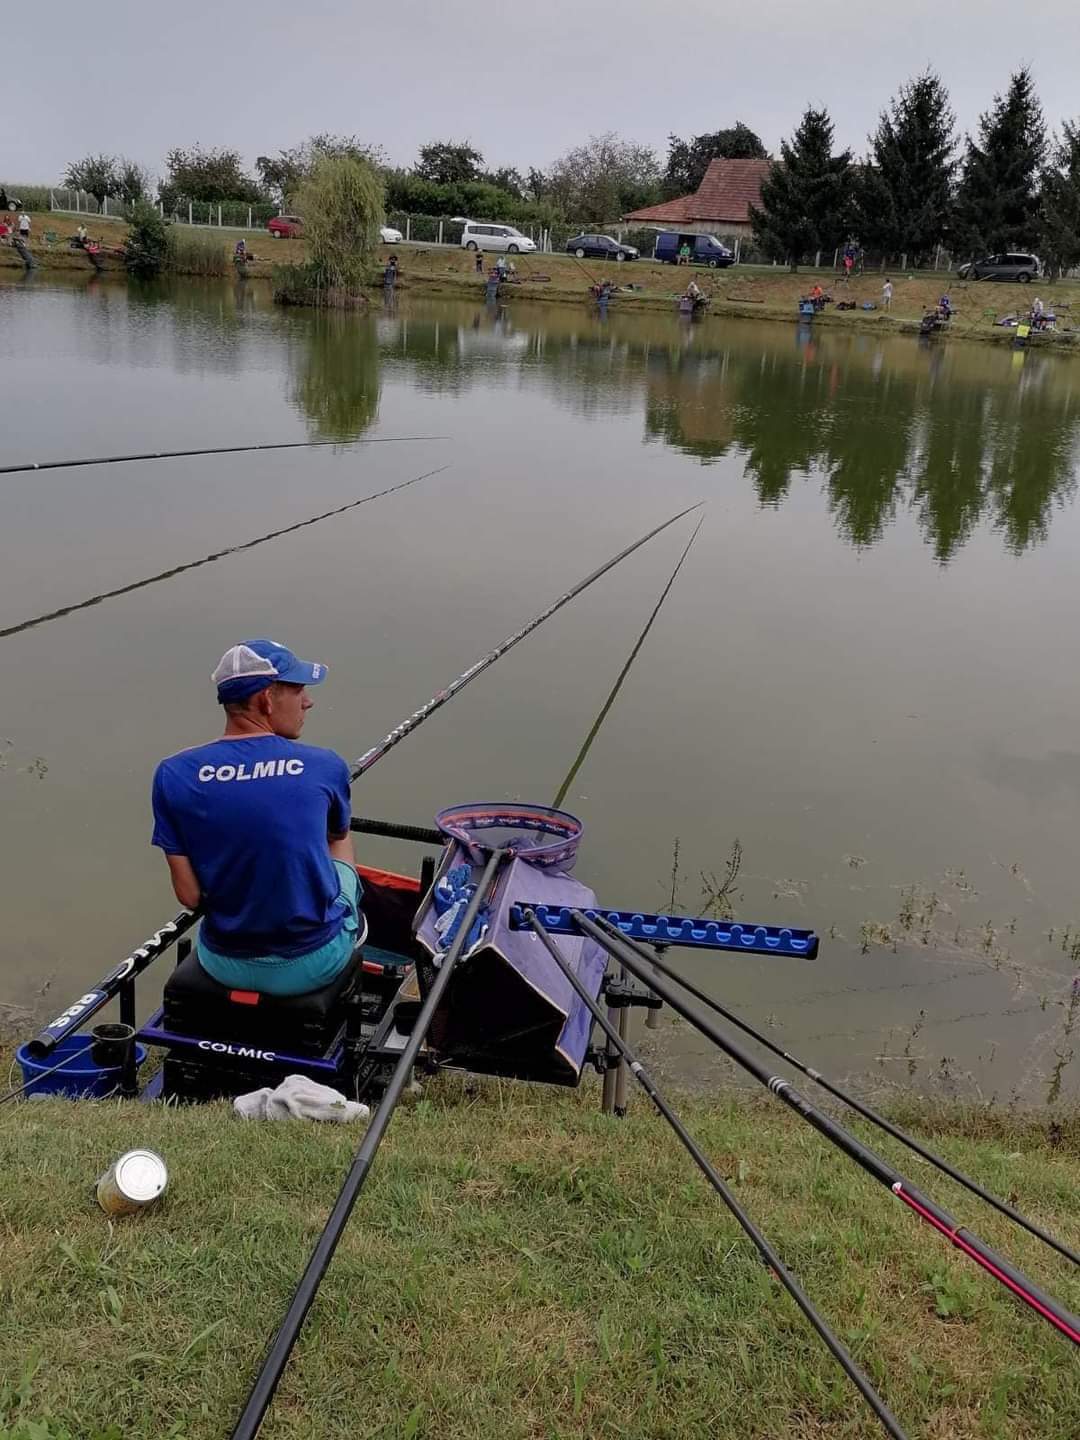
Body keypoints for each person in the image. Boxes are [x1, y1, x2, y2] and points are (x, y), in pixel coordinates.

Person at [151, 639, 363, 998]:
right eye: (298, 690)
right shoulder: (325, 764)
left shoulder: (173, 773)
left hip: (222, 963)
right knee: (339, 840)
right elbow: (334, 836)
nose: (308, 701)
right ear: (265, 698)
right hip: (311, 966)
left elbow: (189, 896)